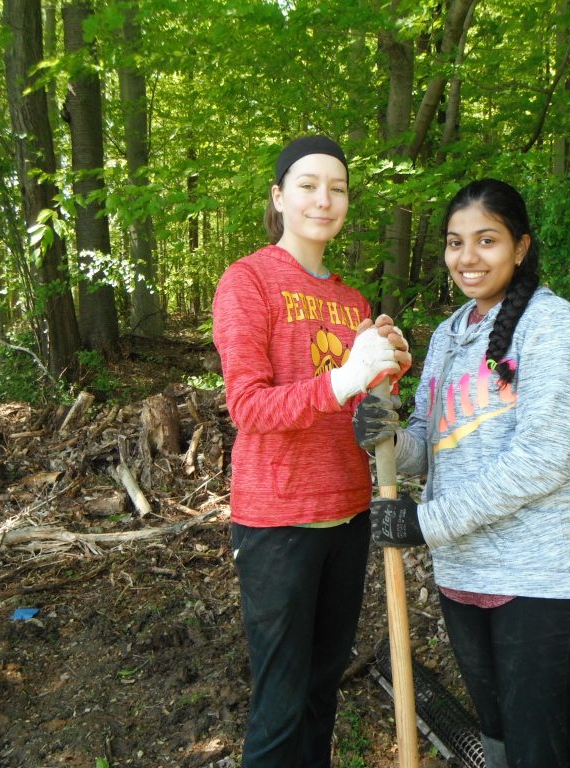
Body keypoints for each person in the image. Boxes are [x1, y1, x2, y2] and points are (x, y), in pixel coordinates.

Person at [353, 178, 570, 768]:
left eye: (486, 240)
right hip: (463, 569)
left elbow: (543, 459)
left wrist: (424, 522)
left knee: (537, 752)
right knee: (496, 743)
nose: (468, 258)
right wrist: (387, 438)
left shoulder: (550, 324)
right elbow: (430, 447)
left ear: (520, 247)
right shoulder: (447, 336)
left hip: (540, 575)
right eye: (455, 242)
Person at [212, 135, 411, 768]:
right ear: (279, 197)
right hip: (277, 523)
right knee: (280, 706)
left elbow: (356, 415)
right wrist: (344, 378)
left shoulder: (352, 302)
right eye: (307, 184)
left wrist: (385, 371)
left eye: (338, 187)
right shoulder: (247, 281)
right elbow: (249, 407)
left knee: (323, 694)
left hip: (348, 516)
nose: (324, 199)